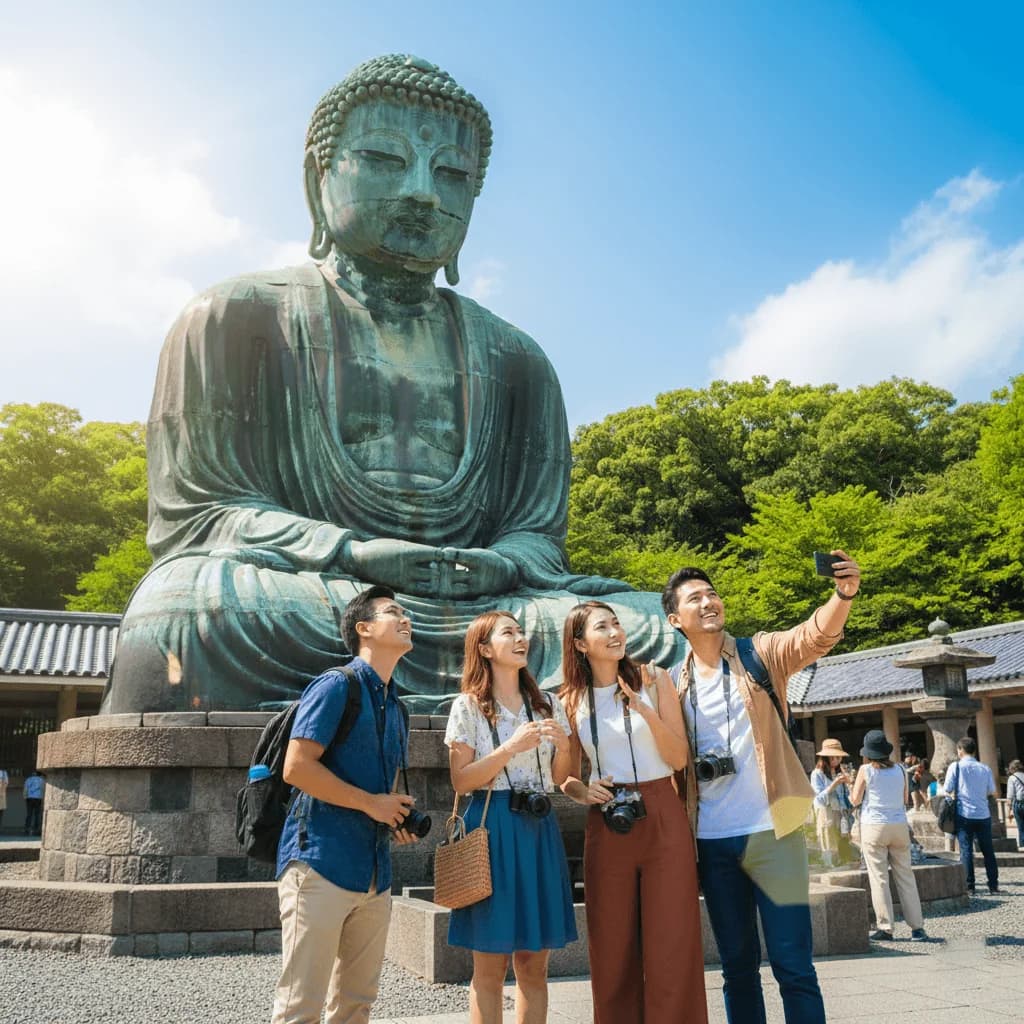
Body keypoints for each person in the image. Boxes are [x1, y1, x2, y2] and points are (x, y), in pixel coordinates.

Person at [102, 53, 680, 717]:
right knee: (176, 615)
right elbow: (202, 514)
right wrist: (354, 551)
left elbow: (537, 535)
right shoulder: (234, 318)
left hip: (488, 607)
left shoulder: (517, 357)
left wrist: (499, 563)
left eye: (453, 174)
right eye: (384, 158)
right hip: (316, 593)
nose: (423, 193)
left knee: (655, 629)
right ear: (319, 180)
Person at [661, 552, 861, 1024]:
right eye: (695, 598)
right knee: (737, 969)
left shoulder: (759, 654)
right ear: (675, 619)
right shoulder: (672, 684)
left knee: (794, 966)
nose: (709, 601)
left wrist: (843, 594)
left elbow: (813, 637)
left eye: (712, 593)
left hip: (777, 832)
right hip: (712, 841)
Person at [271, 585, 419, 1024]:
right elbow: (297, 768)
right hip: (320, 861)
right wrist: (370, 803)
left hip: (375, 870)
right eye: (394, 612)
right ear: (364, 629)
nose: (406, 617)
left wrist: (392, 813)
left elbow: (379, 789)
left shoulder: (398, 707)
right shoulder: (337, 685)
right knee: (301, 1007)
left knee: (357, 1004)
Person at [559, 601, 707, 1024]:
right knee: (612, 942)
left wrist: (642, 709)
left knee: (672, 939)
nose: (615, 632)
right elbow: (565, 777)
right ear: (580, 643)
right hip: (607, 820)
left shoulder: (654, 679)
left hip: (662, 810)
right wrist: (581, 790)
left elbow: (679, 758)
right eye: (601, 627)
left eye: (616, 623)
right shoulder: (570, 699)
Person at [444, 611, 577, 1024]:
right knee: (489, 968)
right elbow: (461, 781)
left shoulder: (547, 702)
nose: (521, 639)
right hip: (493, 825)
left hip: (539, 826)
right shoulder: (467, 706)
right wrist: (510, 748)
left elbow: (560, 778)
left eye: (521, 632)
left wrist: (565, 748)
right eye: (508, 633)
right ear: (484, 649)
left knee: (534, 966)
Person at [849, 730, 927, 942]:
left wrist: (850, 788)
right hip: (899, 824)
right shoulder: (901, 769)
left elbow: (855, 800)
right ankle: (917, 928)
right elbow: (905, 799)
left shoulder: (866, 770)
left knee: (879, 878)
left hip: (874, 825)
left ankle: (886, 927)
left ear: (868, 753)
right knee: (906, 876)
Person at [944, 737, 1000, 895]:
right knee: (988, 850)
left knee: (966, 850)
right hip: (983, 813)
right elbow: (991, 790)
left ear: (960, 750)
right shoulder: (985, 768)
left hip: (964, 813)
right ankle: (993, 885)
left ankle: (970, 886)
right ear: (974, 750)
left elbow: (947, 788)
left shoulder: (955, 767)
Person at [810, 739, 853, 868]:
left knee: (842, 839)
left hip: (840, 812)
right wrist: (834, 784)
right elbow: (819, 799)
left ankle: (842, 862)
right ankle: (829, 865)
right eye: (835, 757)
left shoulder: (838, 772)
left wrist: (849, 782)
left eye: (839, 757)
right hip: (826, 811)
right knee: (828, 837)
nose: (838, 760)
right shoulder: (817, 774)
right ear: (826, 757)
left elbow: (846, 798)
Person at [1006, 759, 1024, 852]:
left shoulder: (1012, 778)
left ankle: (1023, 845)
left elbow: (1010, 796)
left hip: (1019, 804)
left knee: (1021, 827)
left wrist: (1008, 811)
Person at [23, 769, 44, 836]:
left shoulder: (28, 779)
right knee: (37, 814)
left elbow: (25, 789)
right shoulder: (41, 780)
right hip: (38, 798)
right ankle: (36, 830)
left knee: (29, 814)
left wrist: (25, 797)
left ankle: (27, 829)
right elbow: (43, 789)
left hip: (29, 798)